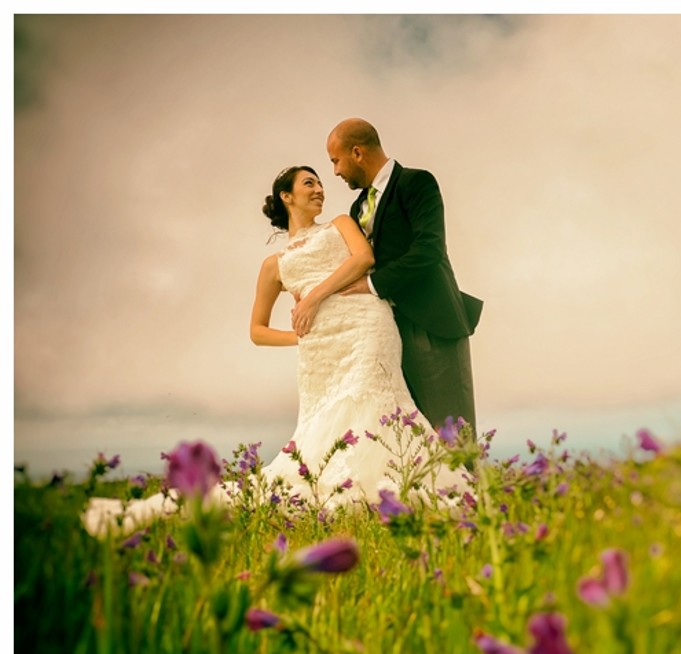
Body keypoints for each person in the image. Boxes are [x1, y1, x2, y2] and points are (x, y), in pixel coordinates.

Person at [82, 165, 463, 537]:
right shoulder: (273, 265)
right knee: (322, 430)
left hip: (367, 327)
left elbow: (365, 260)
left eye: (320, 183)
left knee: (373, 404)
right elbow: (257, 331)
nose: (319, 189)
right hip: (320, 350)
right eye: (309, 183)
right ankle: (346, 491)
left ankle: (388, 489)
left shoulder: (341, 224)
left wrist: (313, 297)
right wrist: (303, 339)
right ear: (286, 196)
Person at [301, 118, 482, 433]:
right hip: (385, 332)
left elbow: (429, 250)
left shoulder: (416, 183)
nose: (335, 171)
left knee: (451, 436)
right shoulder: (359, 206)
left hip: (430, 326)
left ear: (357, 152)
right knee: (411, 440)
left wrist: (372, 284)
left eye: (336, 160)